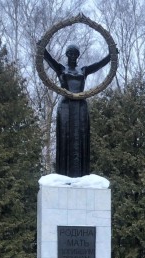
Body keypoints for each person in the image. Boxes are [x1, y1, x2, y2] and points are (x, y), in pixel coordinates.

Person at [42, 44, 111, 177]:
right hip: (66, 106)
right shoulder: (61, 69)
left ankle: (81, 174)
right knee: (64, 135)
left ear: (78, 56)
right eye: (70, 53)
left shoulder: (83, 70)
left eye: (75, 54)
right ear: (67, 54)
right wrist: (42, 48)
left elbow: (99, 65)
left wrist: (110, 56)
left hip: (81, 106)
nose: (73, 56)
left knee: (81, 136)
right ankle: (63, 174)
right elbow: (49, 59)